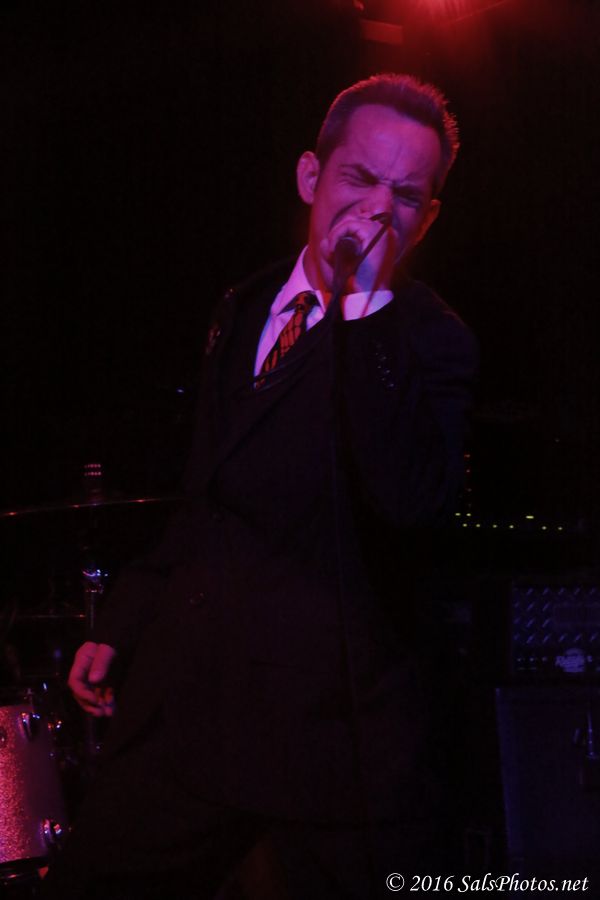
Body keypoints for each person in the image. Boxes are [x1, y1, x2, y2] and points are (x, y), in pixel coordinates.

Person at [43, 73, 478, 899]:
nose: (377, 209)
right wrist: (128, 619)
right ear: (312, 177)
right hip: (193, 714)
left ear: (427, 218)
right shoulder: (243, 307)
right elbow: (206, 495)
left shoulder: (429, 340)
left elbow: (412, 501)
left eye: (405, 195)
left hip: (330, 744)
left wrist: (365, 306)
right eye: (360, 179)